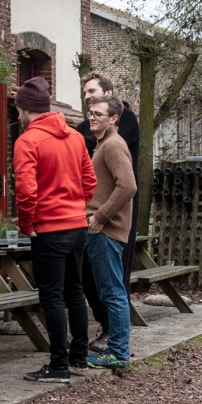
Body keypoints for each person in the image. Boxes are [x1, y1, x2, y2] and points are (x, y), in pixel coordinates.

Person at [13, 76, 96, 383]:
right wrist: (76, 205)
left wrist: (27, 224)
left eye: (18, 108)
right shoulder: (75, 137)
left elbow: (26, 190)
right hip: (77, 225)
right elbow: (90, 181)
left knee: (51, 297)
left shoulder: (28, 141)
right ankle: (79, 358)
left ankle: (59, 364)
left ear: (25, 108)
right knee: (75, 291)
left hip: (48, 228)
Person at [77, 73, 141, 330]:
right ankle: (111, 331)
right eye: (84, 94)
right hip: (91, 220)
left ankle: (116, 341)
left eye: (92, 91)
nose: (87, 97)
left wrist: (101, 216)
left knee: (115, 283)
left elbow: (127, 185)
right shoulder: (87, 126)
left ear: (109, 94)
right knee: (88, 277)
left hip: (113, 218)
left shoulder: (122, 124)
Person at [85, 95, 137, 371]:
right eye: (91, 112)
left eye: (98, 114)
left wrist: (100, 217)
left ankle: (117, 352)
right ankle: (117, 350)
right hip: (101, 230)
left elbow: (128, 186)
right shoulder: (103, 144)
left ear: (114, 119)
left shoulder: (113, 145)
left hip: (105, 231)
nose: (92, 117)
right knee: (110, 292)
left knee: (113, 293)